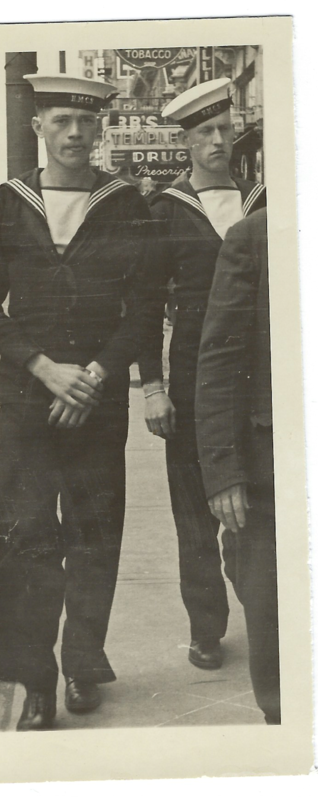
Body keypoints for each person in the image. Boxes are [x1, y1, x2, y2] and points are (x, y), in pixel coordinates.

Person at [0, 74, 152, 730]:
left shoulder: (125, 202)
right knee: (26, 541)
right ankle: (35, 682)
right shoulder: (9, 203)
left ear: (101, 128)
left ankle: (82, 660)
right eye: (62, 119)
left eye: (85, 121)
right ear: (39, 127)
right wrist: (46, 368)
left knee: (95, 536)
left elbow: (147, 306)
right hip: (27, 404)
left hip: (98, 407)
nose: (75, 132)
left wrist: (96, 375)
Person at [138, 79, 266, 671]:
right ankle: (206, 628)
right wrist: (153, 388)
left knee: (256, 507)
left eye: (224, 129)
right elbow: (139, 305)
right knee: (194, 515)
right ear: (185, 143)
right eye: (204, 133)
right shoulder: (165, 210)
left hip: (260, 382)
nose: (218, 140)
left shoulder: (263, 202)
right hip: (191, 379)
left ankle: (265, 611)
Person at [195, 208, 278, 724]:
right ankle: (283, 726)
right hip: (274, 465)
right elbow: (220, 357)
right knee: (270, 602)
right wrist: (224, 471)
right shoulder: (255, 235)